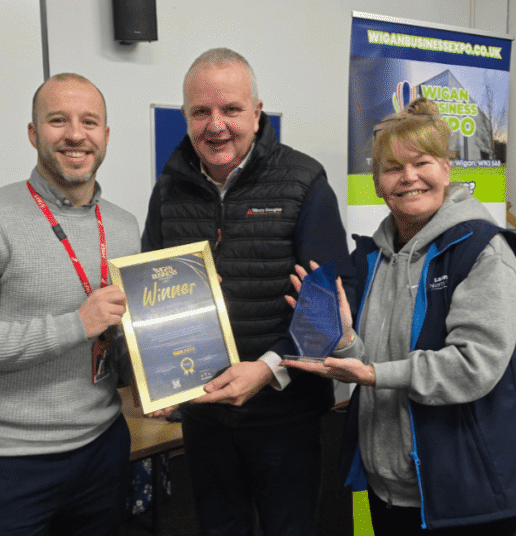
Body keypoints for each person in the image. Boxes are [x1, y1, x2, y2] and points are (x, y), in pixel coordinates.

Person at [283, 98, 516, 535]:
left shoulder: (483, 252)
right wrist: (343, 342)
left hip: (465, 493)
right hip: (387, 486)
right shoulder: (369, 258)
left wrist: (375, 374)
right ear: (378, 184)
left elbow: (473, 367)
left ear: (447, 169)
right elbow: (366, 363)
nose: (409, 177)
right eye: (392, 168)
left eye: (422, 162)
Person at [142, 48, 355, 536]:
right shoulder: (168, 190)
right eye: (201, 112)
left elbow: (331, 303)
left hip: (286, 413)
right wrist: (155, 371)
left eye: (231, 110)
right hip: (204, 414)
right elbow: (151, 293)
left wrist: (268, 368)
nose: (215, 125)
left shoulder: (304, 183)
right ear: (186, 117)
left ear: (257, 114)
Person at [0, 73, 141, 536]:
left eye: (90, 121)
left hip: (106, 447)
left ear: (105, 135)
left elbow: (120, 330)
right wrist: (74, 325)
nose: (76, 134)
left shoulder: (124, 225)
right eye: (58, 120)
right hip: (14, 463)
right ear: (33, 133)